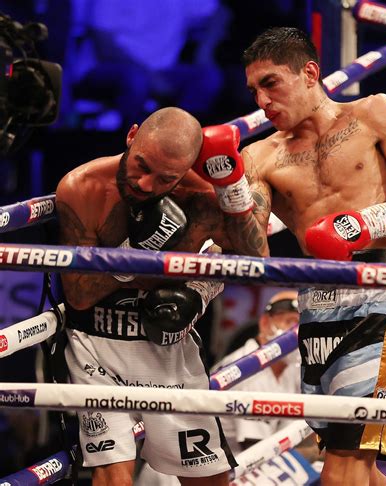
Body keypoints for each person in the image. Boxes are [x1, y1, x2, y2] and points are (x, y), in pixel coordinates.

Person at [191, 27, 386, 486]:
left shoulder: (374, 114)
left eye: (271, 83)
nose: (262, 101)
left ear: (310, 73)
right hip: (315, 315)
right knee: (358, 470)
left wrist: (362, 223)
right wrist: (231, 189)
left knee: (340, 472)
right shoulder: (260, 156)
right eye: (254, 91)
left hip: (377, 306)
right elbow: (254, 250)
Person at [55, 107, 237, 485]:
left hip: (167, 352)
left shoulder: (199, 197)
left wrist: (200, 292)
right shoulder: (83, 187)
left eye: (165, 178)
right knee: (113, 478)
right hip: (95, 347)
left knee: (209, 481)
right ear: (131, 135)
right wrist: (135, 255)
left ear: (184, 171)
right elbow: (79, 296)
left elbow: (249, 258)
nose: (145, 183)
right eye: (142, 165)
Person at [213, 290, 301, 452]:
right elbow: (256, 450)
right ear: (265, 324)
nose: (297, 333)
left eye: (301, 326)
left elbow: (295, 433)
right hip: (224, 460)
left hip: (249, 457)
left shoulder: (290, 368)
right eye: (290, 322)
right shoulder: (246, 369)